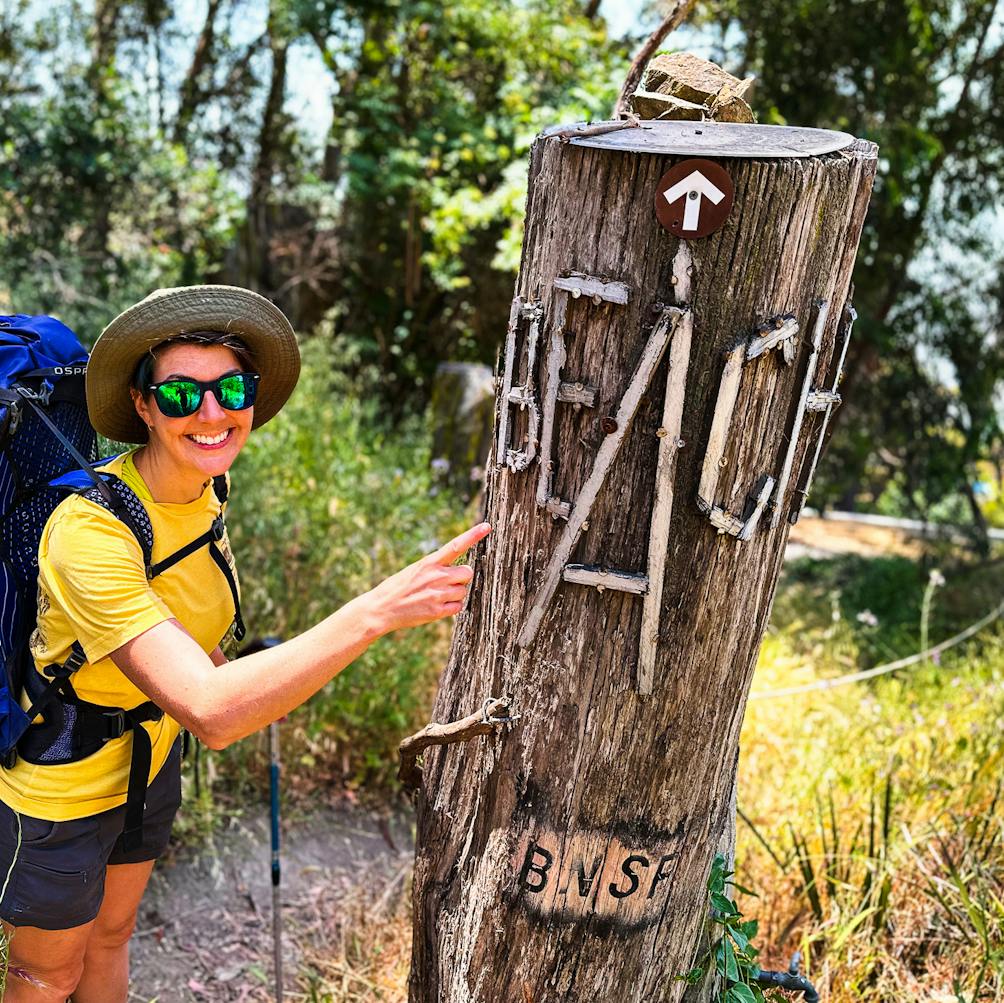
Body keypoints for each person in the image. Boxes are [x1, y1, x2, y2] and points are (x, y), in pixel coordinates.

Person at [0, 285, 489, 1002]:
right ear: (141, 405)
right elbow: (212, 709)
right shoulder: (89, 533)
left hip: (150, 756)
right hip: (62, 785)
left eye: (231, 387)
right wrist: (374, 611)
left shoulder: (207, 491)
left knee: (111, 936)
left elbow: (194, 644)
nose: (210, 412)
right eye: (179, 395)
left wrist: (260, 674)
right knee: (47, 972)